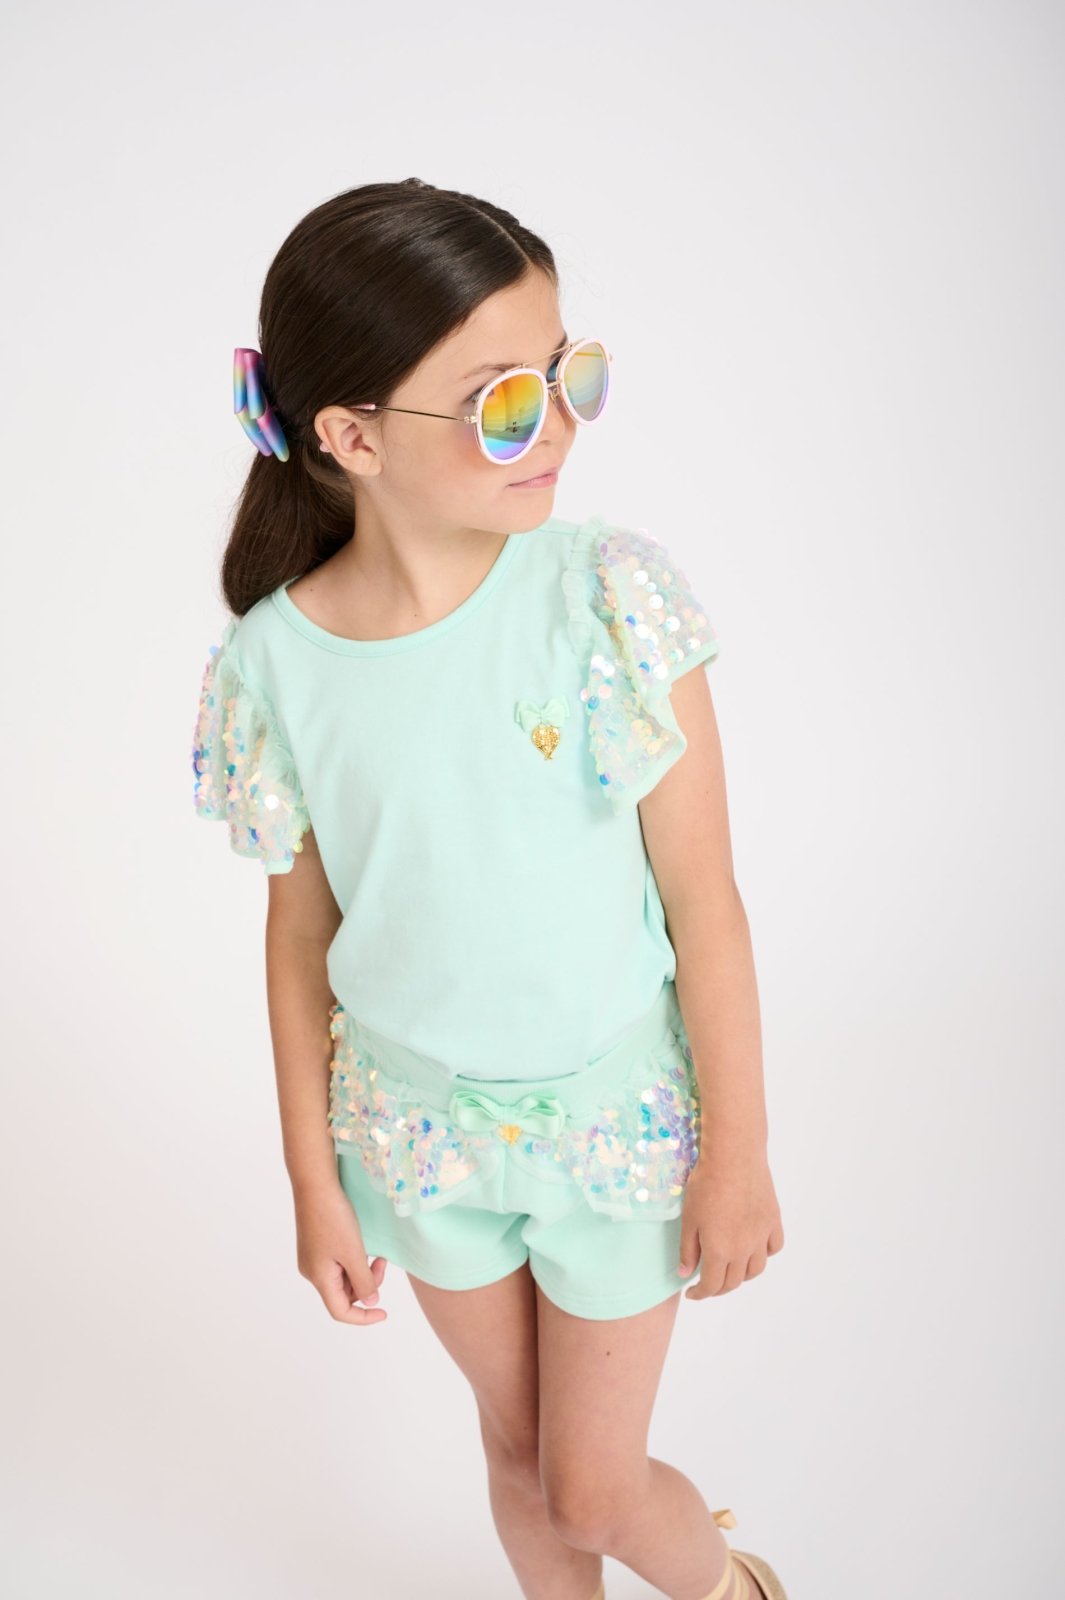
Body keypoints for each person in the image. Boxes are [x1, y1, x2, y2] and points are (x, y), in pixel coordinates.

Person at [191, 177, 787, 1600]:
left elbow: (705, 902)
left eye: (564, 376)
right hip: (416, 1140)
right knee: (521, 1465)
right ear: (350, 438)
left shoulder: (606, 600)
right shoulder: (275, 665)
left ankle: (733, 1588)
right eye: (502, 403)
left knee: (591, 1485)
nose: (557, 427)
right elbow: (298, 939)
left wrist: (739, 1151)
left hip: (616, 1126)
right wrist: (315, 1185)